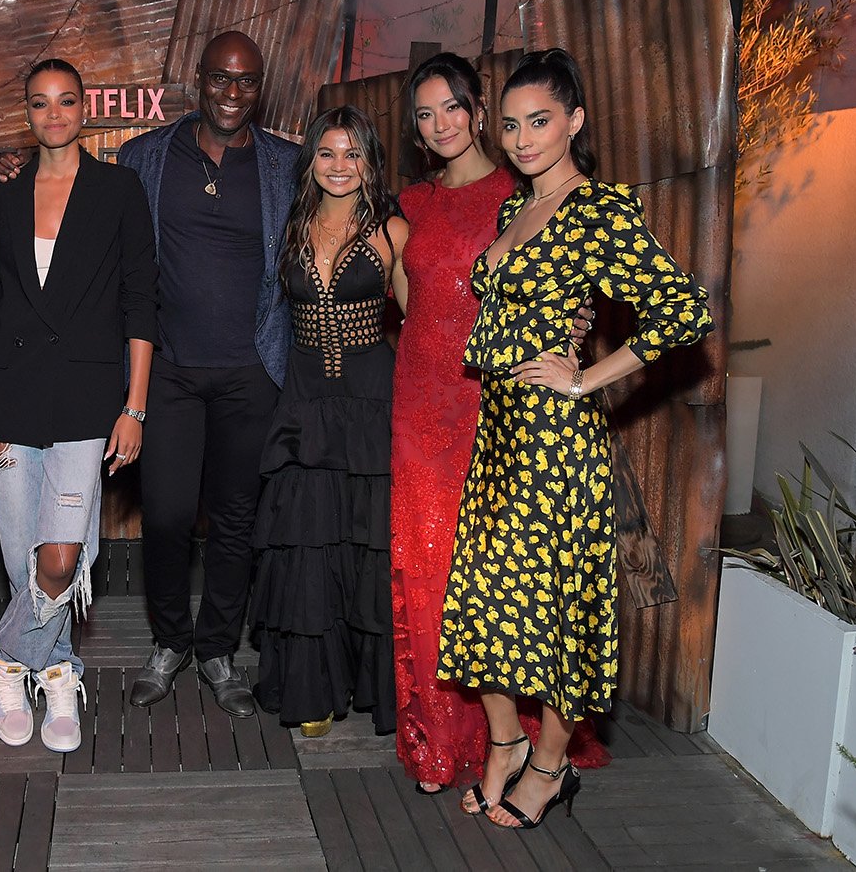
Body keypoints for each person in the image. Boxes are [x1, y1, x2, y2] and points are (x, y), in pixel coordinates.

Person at [436, 47, 712, 829]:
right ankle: (505, 743)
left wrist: (588, 377)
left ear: (575, 121)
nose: (524, 139)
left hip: (558, 445)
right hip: (499, 435)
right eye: (513, 124)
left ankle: (550, 766)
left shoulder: (600, 211)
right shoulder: (510, 209)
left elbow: (684, 310)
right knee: (484, 601)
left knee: (559, 615)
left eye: (542, 122)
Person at [389, 53, 608, 793]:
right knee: (424, 566)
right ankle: (438, 737)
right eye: (425, 113)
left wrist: (573, 350)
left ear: (477, 108)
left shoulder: (525, 189)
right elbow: (403, 295)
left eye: (452, 105)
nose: (441, 122)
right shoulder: (411, 202)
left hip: (496, 407)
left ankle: (505, 742)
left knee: (493, 580)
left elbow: (573, 290)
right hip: (419, 400)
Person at [0, 58, 157, 752]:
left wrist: (134, 405)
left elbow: (142, 297)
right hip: (15, 393)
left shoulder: (118, 189)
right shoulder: (3, 200)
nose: (55, 114)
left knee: (59, 556)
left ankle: (2, 657)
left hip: (88, 397)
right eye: (41, 103)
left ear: (86, 109)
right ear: (28, 113)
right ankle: (54, 672)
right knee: (24, 555)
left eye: (67, 101)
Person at [117, 31, 298, 717]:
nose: (231, 93)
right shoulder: (145, 157)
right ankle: (170, 641)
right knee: (163, 516)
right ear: (197, 80)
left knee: (235, 518)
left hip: (252, 369)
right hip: (166, 370)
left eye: (246, 81)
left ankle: (218, 647)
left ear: (261, 87)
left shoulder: (288, 163)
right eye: (219, 79)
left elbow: (344, 224)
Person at [249, 106, 404, 738]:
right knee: (307, 541)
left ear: (370, 160)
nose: (340, 167)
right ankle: (312, 686)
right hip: (305, 403)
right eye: (328, 153)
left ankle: (369, 684)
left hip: (371, 404)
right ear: (309, 159)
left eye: (353, 153)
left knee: (366, 542)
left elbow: (425, 322)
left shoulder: (393, 230)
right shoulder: (290, 224)